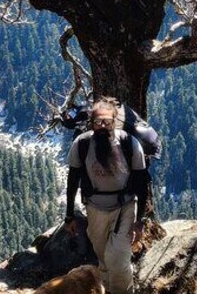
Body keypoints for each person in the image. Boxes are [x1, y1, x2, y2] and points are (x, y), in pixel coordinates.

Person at [63, 97, 149, 294]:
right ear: (91, 123)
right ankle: (109, 289)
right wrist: (69, 215)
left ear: (114, 121)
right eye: (98, 122)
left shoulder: (129, 144)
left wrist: (140, 220)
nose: (102, 126)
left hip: (124, 208)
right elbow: (72, 180)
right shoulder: (82, 144)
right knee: (103, 258)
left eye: (107, 122)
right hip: (95, 209)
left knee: (117, 259)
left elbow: (142, 184)